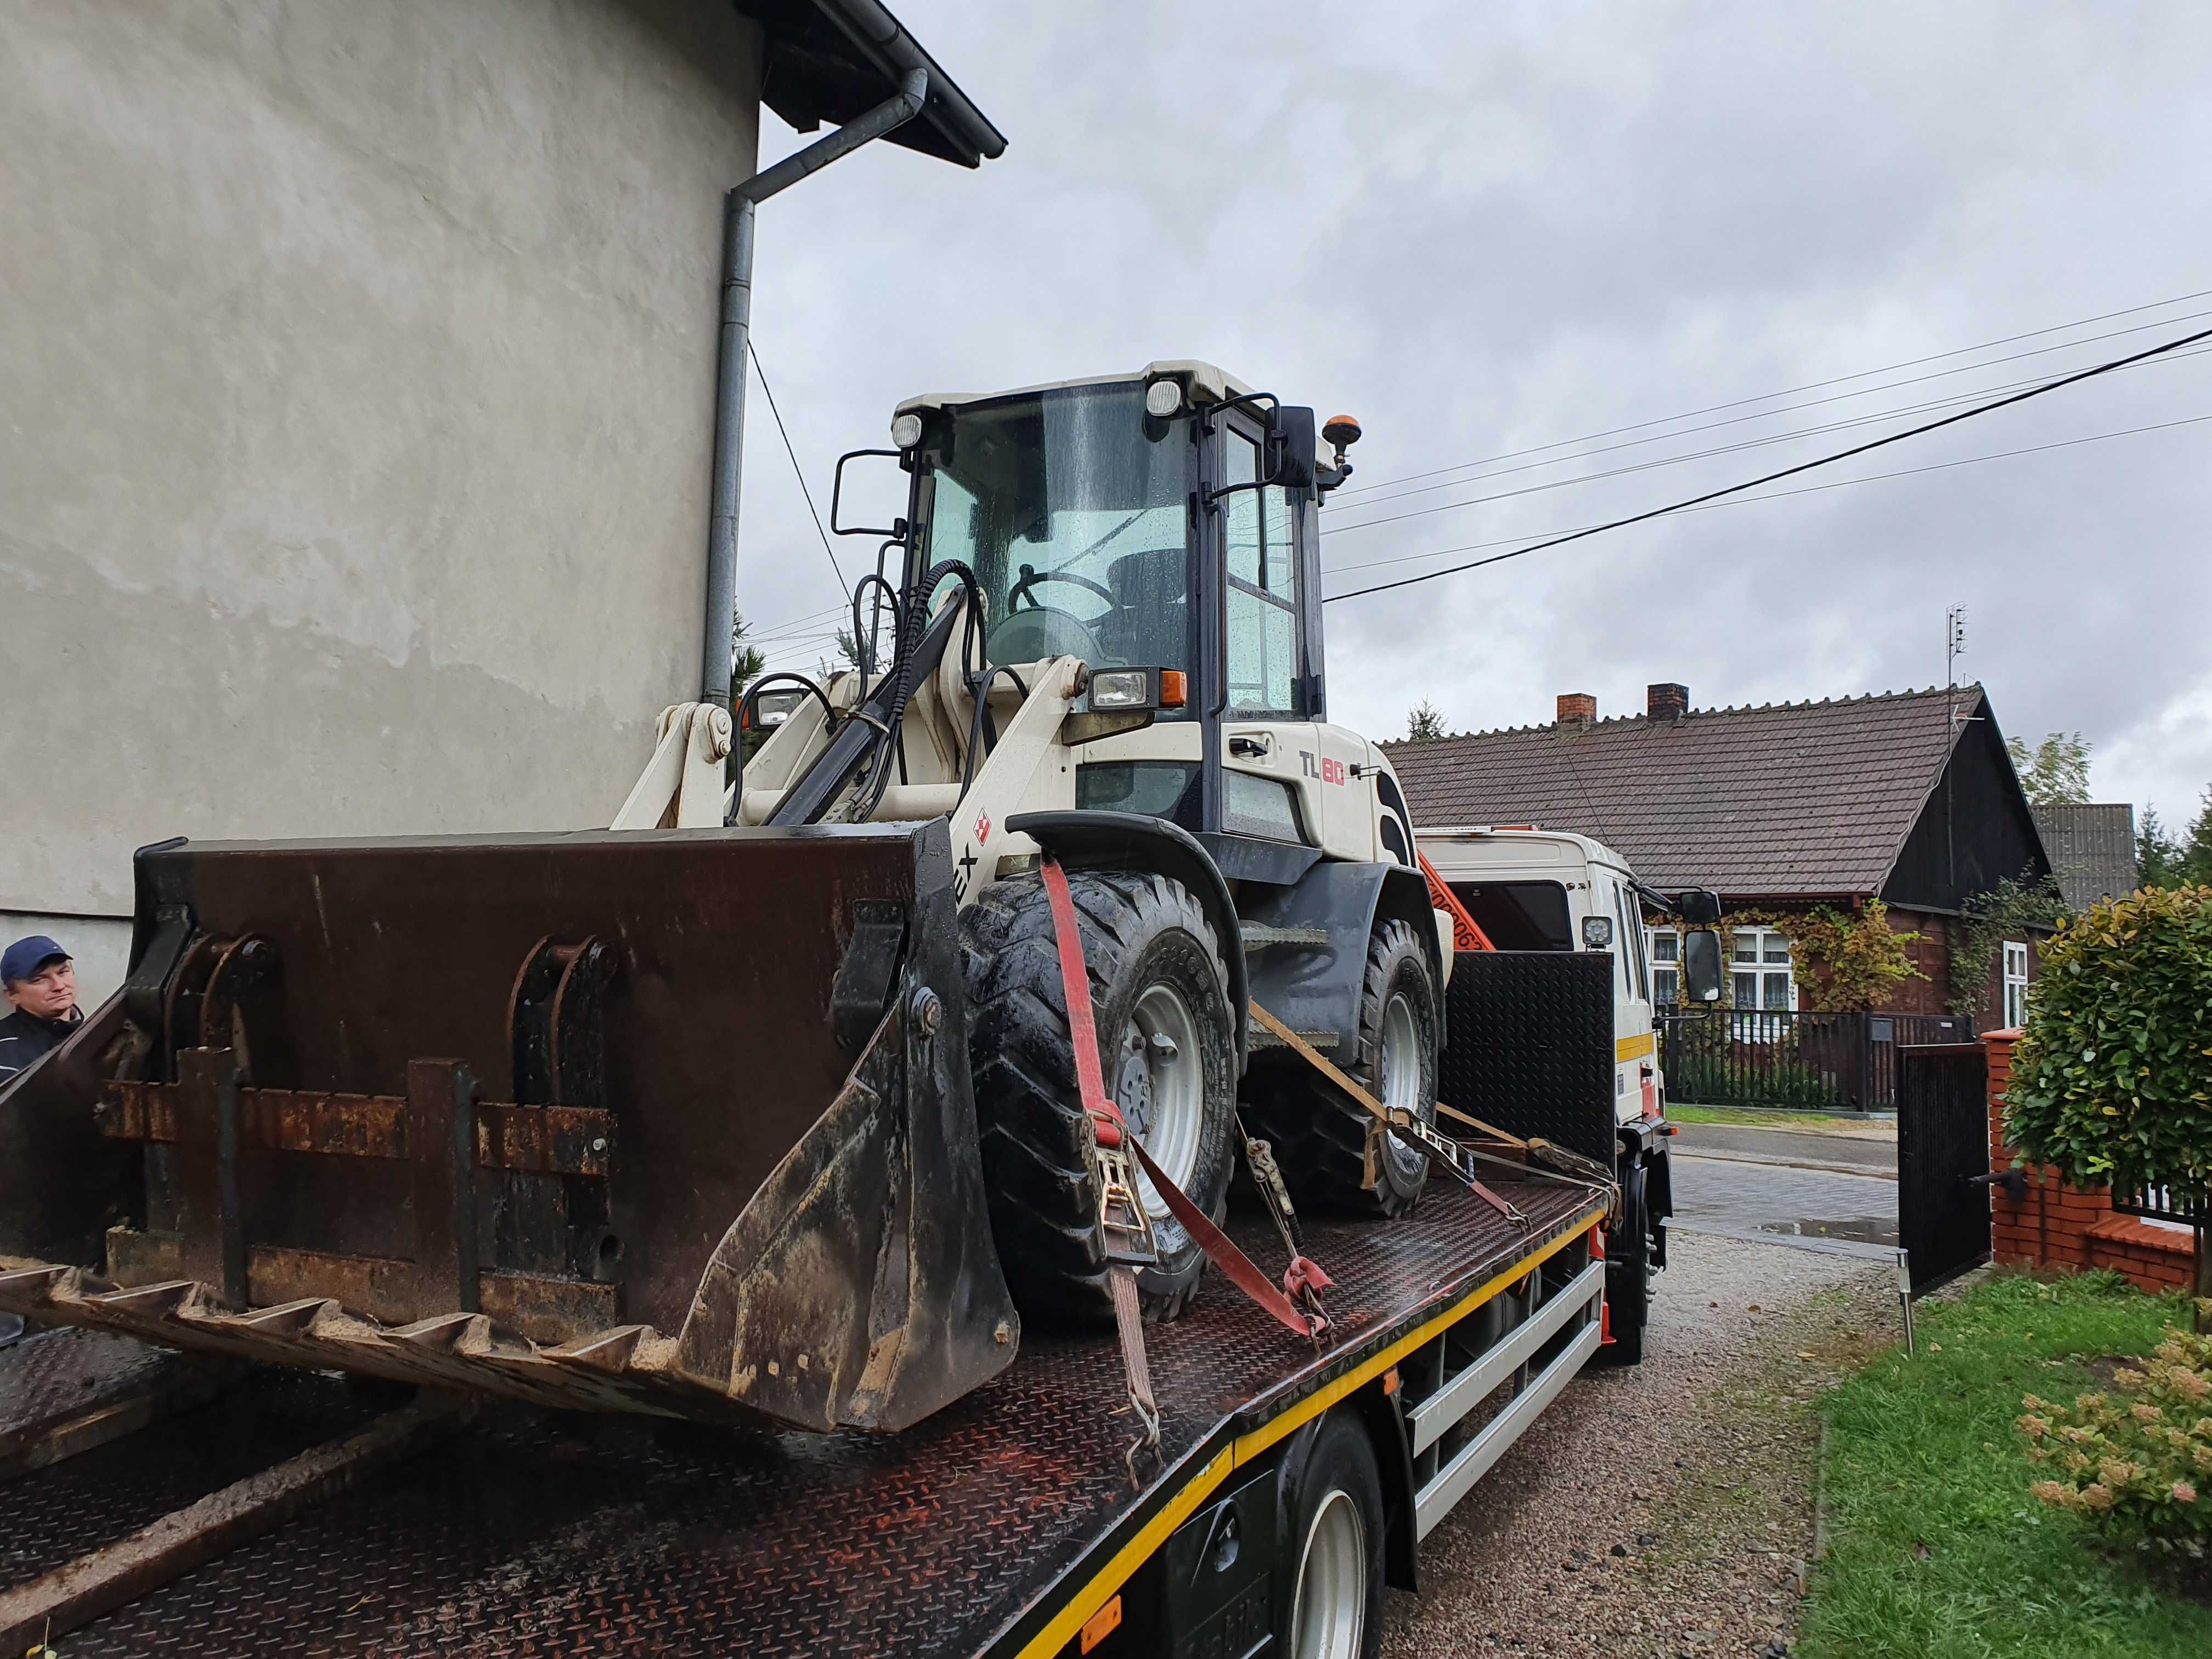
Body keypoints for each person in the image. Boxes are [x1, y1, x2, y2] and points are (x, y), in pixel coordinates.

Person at [0, 935, 82, 1086]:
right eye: (39, 979)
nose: (59, 986)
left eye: (63, 972)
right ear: (12, 996)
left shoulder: (101, 1034)